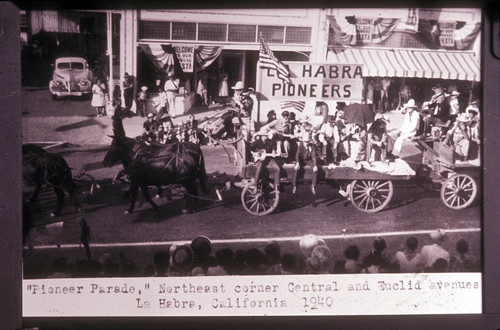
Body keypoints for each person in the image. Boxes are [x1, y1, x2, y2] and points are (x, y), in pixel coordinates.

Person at [293, 120, 319, 195]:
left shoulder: (312, 146)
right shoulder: (300, 145)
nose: (306, 143)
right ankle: (295, 185)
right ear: (303, 141)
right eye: (305, 142)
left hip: (308, 160)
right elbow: (297, 155)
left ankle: (313, 186)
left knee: (315, 170)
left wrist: (315, 165)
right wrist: (297, 162)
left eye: (307, 142)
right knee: (296, 169)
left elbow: (314, 156)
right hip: (301, 160)